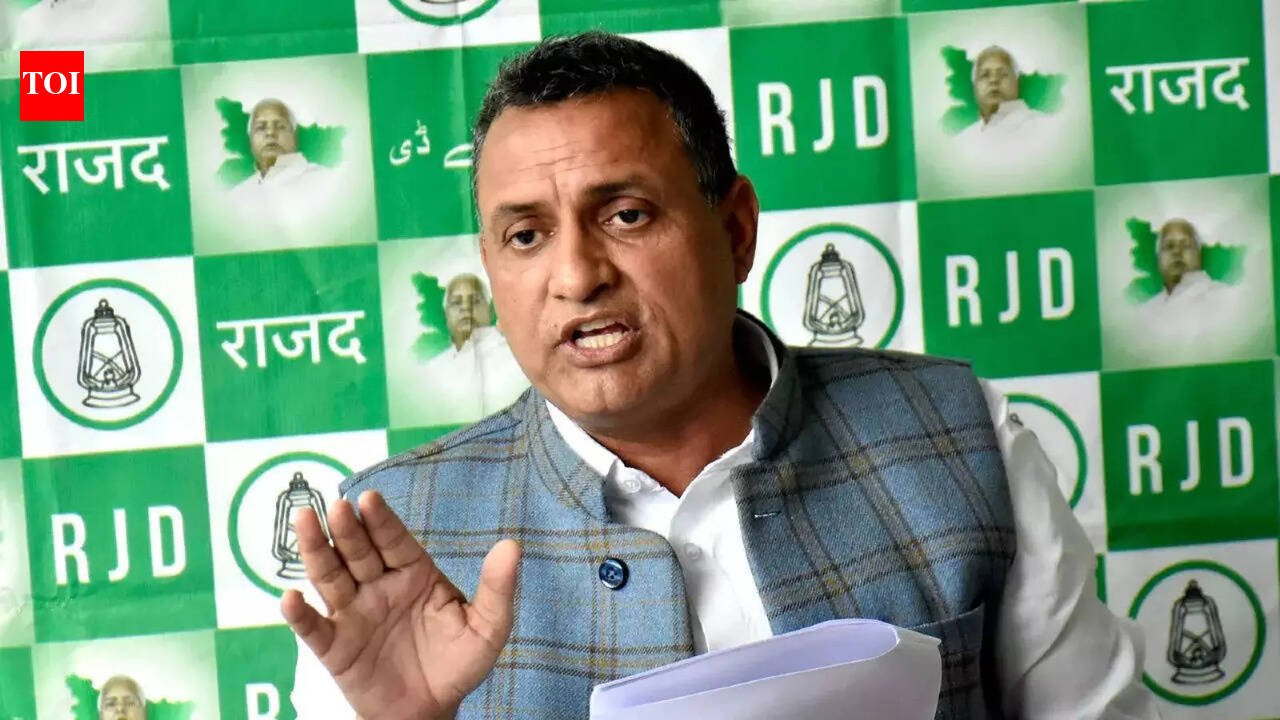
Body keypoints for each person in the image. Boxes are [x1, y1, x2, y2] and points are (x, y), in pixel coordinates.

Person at [283, 32, 1160, 719]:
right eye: (525, 235)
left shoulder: (963, 434)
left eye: (626, 215)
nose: (576, 275)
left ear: (735, 230)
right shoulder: (387, 544)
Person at [418, 273, 528, 422]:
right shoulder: (434, 369)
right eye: (456, 303)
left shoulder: (518, 359)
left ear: (490, 311)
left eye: (475, 301)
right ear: (446, 314)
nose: (466, 308)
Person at [955, 45, 1050, 144]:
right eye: (985, 75)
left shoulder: (1042, 127)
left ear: (1016, 82)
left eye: (1003, 74)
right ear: (975, 87)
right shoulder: (964, 140)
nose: (994, 80)